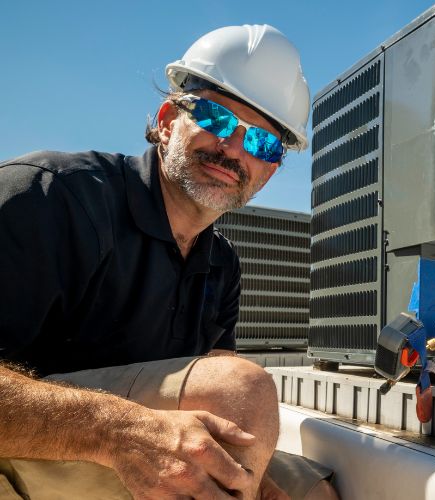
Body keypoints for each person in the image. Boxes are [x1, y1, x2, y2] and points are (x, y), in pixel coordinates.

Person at [0, 25, 336, 500]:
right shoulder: (51, 197)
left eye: (263, 144)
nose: (234, 149)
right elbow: (229, 392)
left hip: (134, 443)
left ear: (269, 171)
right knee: (239, 391)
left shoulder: (221, 264)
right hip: (28, 446)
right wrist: (117, 431)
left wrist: (254, 479)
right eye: (218, 119)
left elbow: (221, 398)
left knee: (311, 493)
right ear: (166, 120)